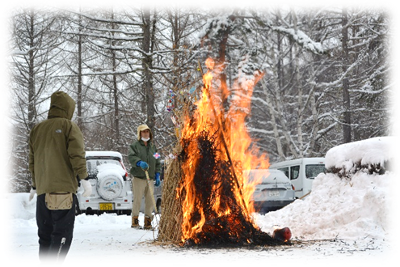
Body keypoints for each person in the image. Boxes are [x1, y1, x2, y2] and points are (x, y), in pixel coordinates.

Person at [28, 91, 92, 267]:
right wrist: (84, 178)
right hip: (63, 191)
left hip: (42, 191)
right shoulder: (68, 126)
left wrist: (34, 185)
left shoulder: (37, 129)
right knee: (62, 233)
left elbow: (32, 160)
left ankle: (45, 263)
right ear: (68, 108)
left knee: (45, 233)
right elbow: (77, 154)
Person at [128, 124, 161, 229]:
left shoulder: (153, 147)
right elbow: (131, 156)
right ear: (139, 133)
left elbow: (157, 160)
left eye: (147, 132)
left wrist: (157, 173)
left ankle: (148, 221)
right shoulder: (135, 146)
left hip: (150, 178)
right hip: (139, 177)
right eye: (143, 132)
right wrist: (139, 162)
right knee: (137, 199)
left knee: (150, 200)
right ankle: (135, 221)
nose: (146, 134)